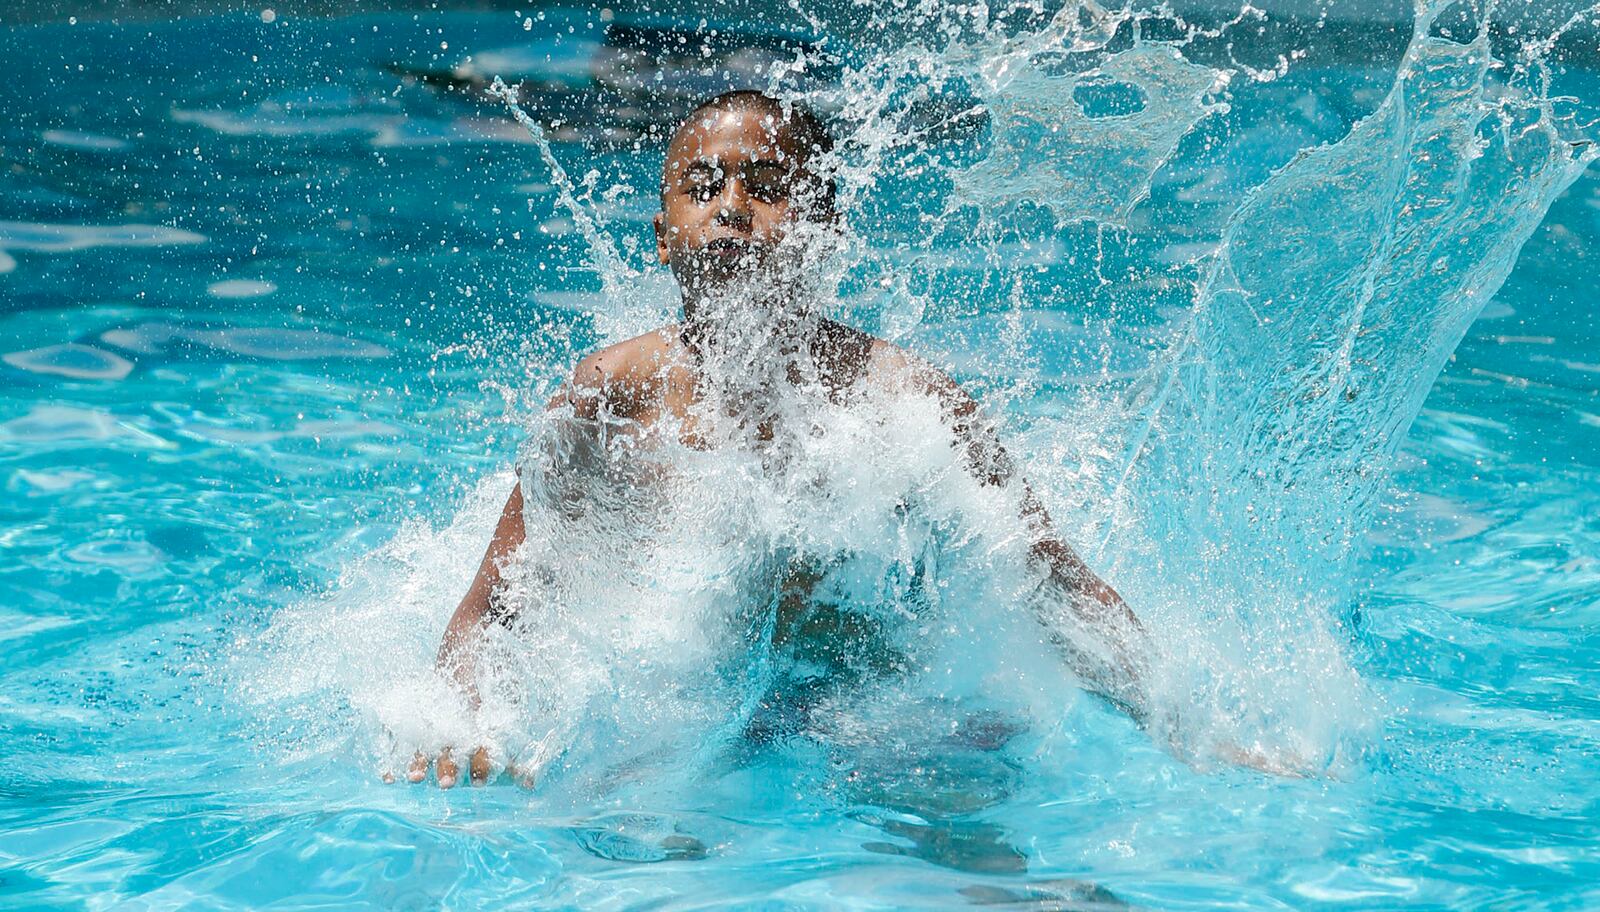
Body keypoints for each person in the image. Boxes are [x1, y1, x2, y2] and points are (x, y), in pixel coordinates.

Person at [398, 90, 1162, 789]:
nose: (731, 208)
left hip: (882, 709)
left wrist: (1179, 722)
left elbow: (1055, 587)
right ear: (663, 237)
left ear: (824, 231)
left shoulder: (905, 403)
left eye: (766, 189)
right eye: (703, 190)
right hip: (696, 709)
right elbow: (496, 603)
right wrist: (461, 724)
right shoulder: (611, 396)